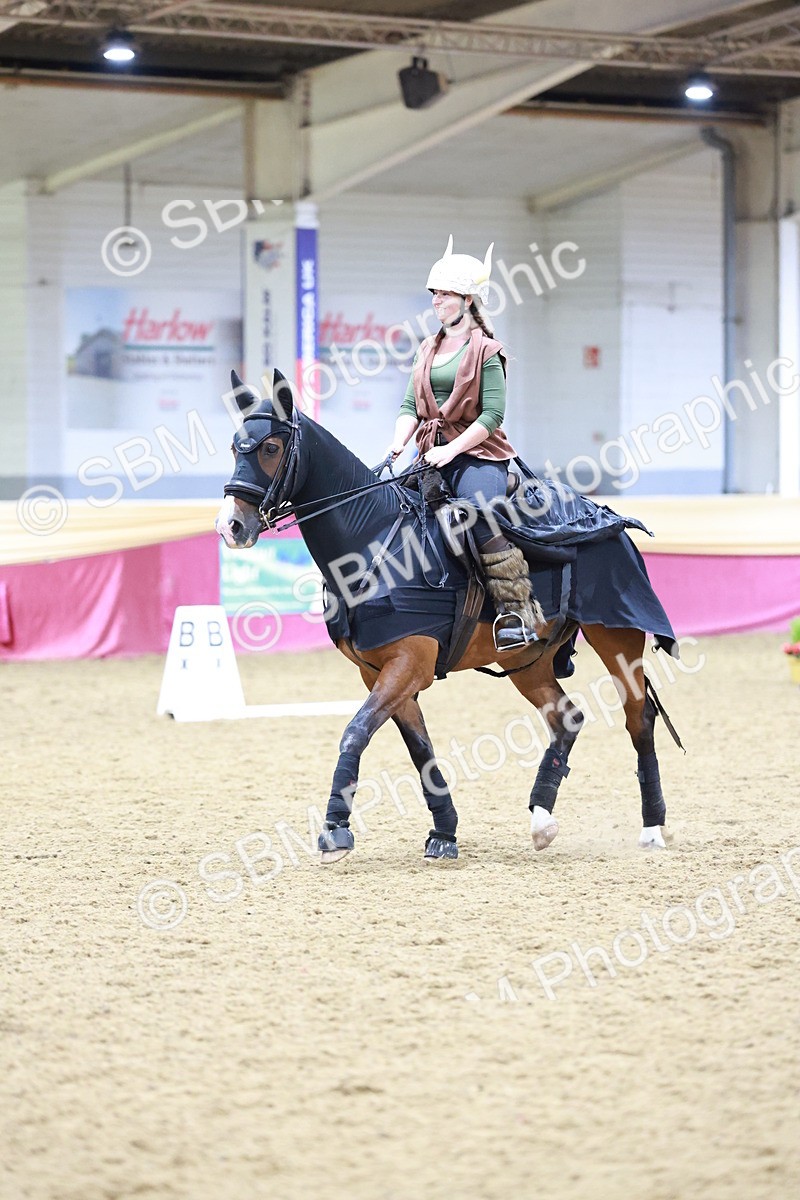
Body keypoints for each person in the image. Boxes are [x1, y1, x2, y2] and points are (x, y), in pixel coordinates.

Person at [386, 235, 542, 652]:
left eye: (445, 293)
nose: (436, 300)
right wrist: (399, 444)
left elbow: (492, 416)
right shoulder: (426, 348)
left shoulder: (489, 350)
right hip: (428, 451)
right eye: (434, 293)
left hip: (478, 453)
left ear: (468, 300)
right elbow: (408, 405)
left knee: (477, 515)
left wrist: (450, 451)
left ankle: (514, 612)